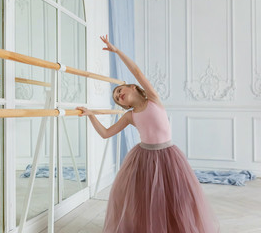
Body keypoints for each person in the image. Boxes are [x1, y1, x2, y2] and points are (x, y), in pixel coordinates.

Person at [76, 35, 219, 233]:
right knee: (144, 199)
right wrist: (91, 115)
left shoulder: (153, 99)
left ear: (132, 87)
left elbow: (136, 70)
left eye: (119, 91)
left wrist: (116, 51)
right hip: (143, 158)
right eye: (117, 98)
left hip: (168, 155)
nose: (119, 95)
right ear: (123, 105)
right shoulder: (130, 116)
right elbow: (106, 133)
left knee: (175, 196)